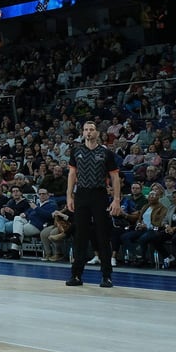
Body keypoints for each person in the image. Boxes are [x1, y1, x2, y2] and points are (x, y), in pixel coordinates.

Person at [65, 121, 123, 288]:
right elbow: (71, 174)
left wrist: (116, 199)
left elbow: (115, 177)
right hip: (81, 194)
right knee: (80, 236)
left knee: (102, 235)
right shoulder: (76, 151)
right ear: (82, 133)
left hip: (99, 194)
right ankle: (76, 275)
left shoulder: (105, 153)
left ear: (97, 133)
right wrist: (69, 196)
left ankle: (106, 276)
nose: (88, 132)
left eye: (91, 130)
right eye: (85, 130)